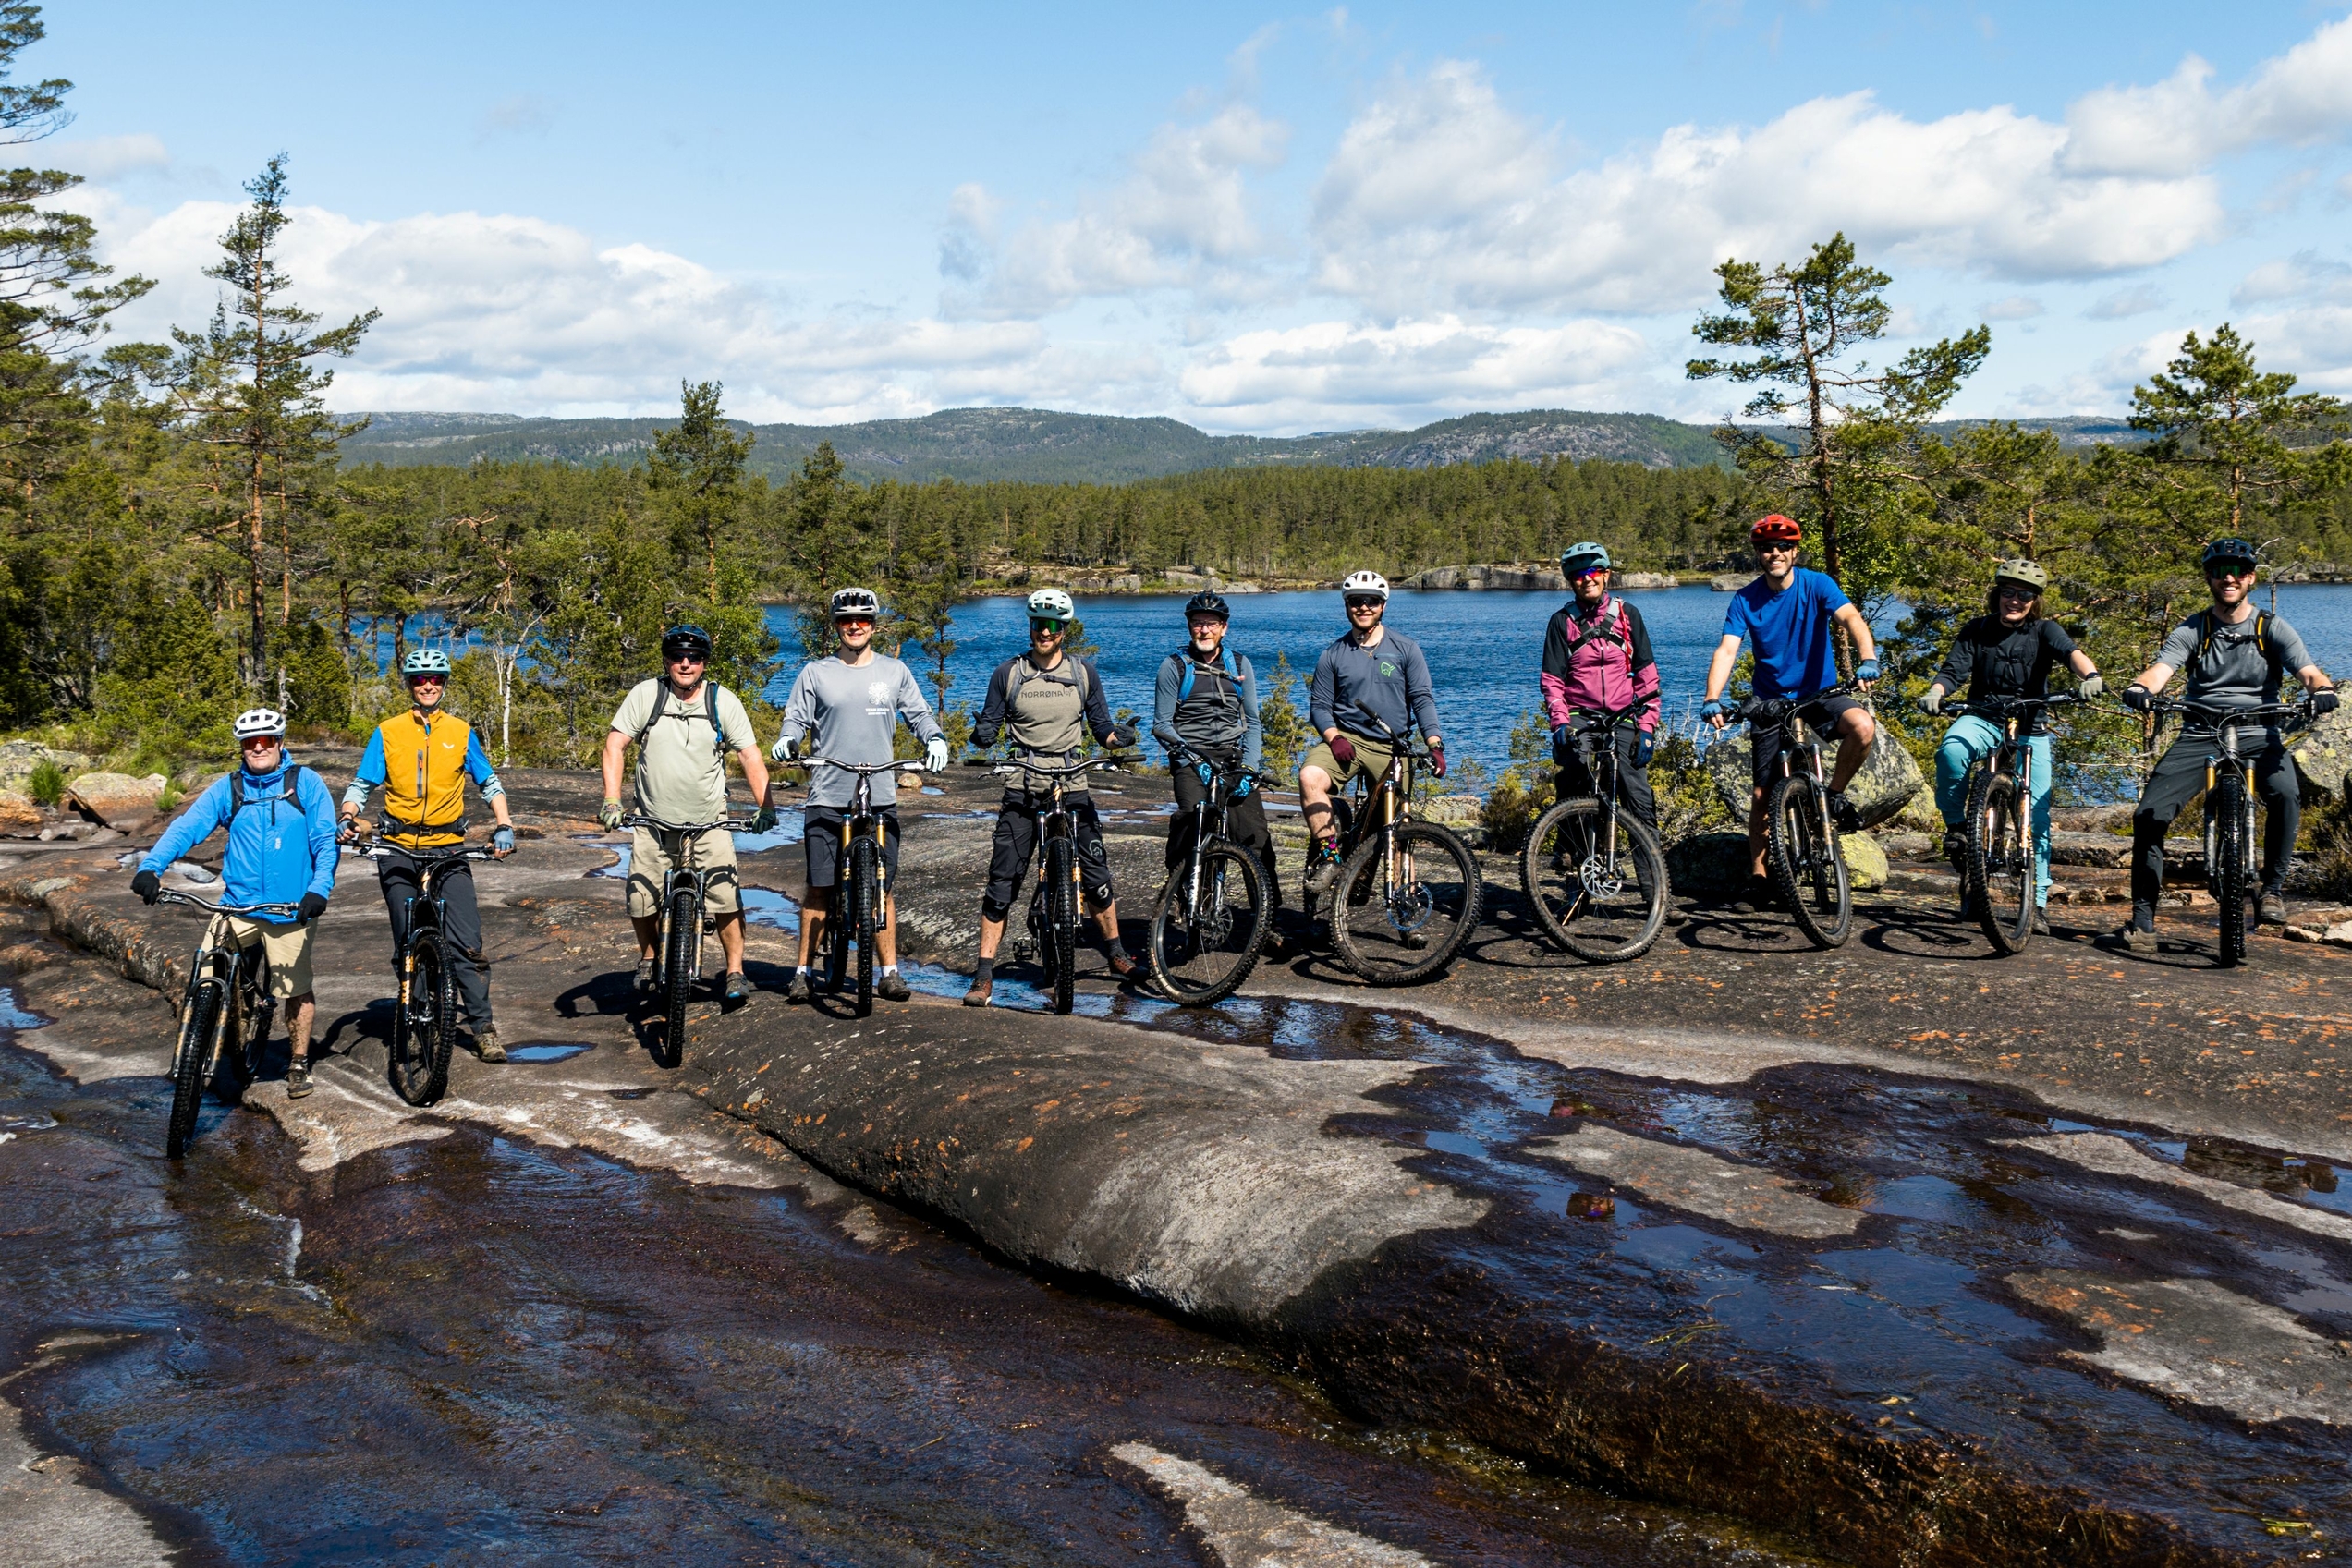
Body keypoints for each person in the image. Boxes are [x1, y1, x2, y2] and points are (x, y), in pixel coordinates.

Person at [2111, 538, 2339, 948]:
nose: (2228, 578)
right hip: (2200, 731)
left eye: (2237, 571)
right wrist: (2140, 687)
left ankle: (2271, 892)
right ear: (2210, 579)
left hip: (2259, 732)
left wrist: (2321, 690)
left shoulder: (2271, 628)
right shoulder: (2193, 628)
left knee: (2286, 795)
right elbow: (2161, 669)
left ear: (2250, 578)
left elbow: (2307, 671)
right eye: (2219, 571)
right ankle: (2142, 920)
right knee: (2149, 815)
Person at [131, 708, 338, 1100]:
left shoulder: (305, 783)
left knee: (295, 988)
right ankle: (206, 1040)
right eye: (249, 742)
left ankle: (296, 1061)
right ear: (241, 748)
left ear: (280, 743)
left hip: (289, 908)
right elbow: (187, 827)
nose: (258, 748)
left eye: (266, 741)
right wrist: (151, 868)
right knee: (205, 970)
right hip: (237, 904)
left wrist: (319, 889)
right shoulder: (230, 788)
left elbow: (325, 841)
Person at [771, 587, 950, 1004]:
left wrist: (935, 738)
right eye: (846, 620)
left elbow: (919, 715)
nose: (855, 626)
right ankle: (802, 971)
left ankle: (889, 973)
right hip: (827, 795)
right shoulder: (816, 673)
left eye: (864, 620)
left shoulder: (894, 671)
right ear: (836, 626)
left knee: (882, 887)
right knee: (818, 887)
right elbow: (796, 718)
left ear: (874, 625)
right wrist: (787, 740)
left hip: (881, 794)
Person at [337, 648, 518, 1062]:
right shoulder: (388, 731)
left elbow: (488, 782)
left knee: (467, 942)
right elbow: (362, 785)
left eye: (435, 678)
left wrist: (504, 825)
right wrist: (348, 815)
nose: (428, 685)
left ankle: (483, 1028)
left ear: (444, 683)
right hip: (396, 846)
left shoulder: (460, 730)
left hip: (447, 846)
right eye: (420, 680)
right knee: (406, 939)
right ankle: (416, 1014)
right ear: (409, 685)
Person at [963, 588, 1138, 1007]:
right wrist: (982, 735)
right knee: (1002, 883)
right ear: (1030, 627)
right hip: (1023, 784)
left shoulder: (1083, 673)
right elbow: (989, 724)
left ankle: (1115, 954)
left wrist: (1118, 739)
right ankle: (984, 975)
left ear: (1064, 630)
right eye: (1039, 624)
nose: (1045, 631)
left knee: (1096, 876)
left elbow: (1101, 726)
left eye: (1054, 625)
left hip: (1071, 781)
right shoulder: (1008, 673)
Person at [1700, 514, 1881, 912]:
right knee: (1763, 795)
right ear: (1759, 555)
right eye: (1767, 548)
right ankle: (1760, 877)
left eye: (1783, 547)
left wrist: (1868, 656)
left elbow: (1850, 618)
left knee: (1862, 727)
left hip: (1819, 693)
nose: (1776, 553)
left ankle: (1832, 795)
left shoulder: (1817, 584)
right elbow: (1728, 649)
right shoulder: (1745, 599)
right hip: (1770, 701)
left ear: (1795, 551)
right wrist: (1713, 696)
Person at [1917, 559, 2102, 934]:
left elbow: (2072, 655)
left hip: (2030, 726)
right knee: (1952, 749)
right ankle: (1958, 830)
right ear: (1997, 595)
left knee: (2036, 817)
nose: (2014, 601)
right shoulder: (1977, 630)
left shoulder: (2045, 630)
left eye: (2024, 595)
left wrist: (2092, 676)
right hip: (1983, 716)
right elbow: (1952, 671)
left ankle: (2038, 903)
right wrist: (1936, 692)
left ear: (2035, 601)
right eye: (2008, 593)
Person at [600, 624, 776, 1006]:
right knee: (640, 898)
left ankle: (734, 971)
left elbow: (749, 754)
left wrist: (767, 806)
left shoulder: (721, 700)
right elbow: (615, 745)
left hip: (709, 821)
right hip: (653, 822)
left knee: (725, 899)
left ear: (704, 663)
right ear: (666, 661)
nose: (685, 663)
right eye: (677, 657)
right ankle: (649, 957)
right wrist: (612, 800)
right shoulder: (647, 694)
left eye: (693, 658)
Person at [1300, 570, 1445, 898]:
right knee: (1310, 776)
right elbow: (1320, 706)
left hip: (1392, 746)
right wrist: (1334, 737)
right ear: (1346, 605)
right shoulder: (1332, 654)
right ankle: (1330, 857)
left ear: (1382, 605)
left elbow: (1422, 698)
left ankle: (1404, 901)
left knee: (1399, 828)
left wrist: (1434, 743)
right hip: (1347, 738)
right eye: (1356, 601)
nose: (1363, 607)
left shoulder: (1405, 649)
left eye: (1371, 601)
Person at [1152, 590, 1277, 914]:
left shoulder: (1239, 664)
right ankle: (1186, 890)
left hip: (1232, 758)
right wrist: (1190, 757)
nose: (1204, 630)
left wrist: (1250, 767)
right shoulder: (1174, 666)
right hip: (1191, 759)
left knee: (1255, 837)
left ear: (1224, 628)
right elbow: (1162, 724)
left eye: (1211, 624)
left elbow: (1252, 721)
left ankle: (1268, 919)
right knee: (1195, 819)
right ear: (1189, 627)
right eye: (1197, 623)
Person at [1540, 542, 1663, 859]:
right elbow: (1552, 681)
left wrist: (1647, 727)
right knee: (1573, 776)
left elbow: (1648, 677)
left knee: (1639, 801)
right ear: (1570, 580)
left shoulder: (1627, 614)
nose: (1587, 579)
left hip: (1622, 715)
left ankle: (1658, 897)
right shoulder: (1561, 621)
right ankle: (1570, 860)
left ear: (1606, 574)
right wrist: (1560, 723)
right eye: (1579, 574)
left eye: (1594, 571)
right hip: (1580, 714)